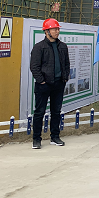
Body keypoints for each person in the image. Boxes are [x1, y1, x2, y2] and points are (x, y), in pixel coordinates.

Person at [30, 18, 70, 149]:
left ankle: (55, 137)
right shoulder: (39, 47)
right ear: (47, 31)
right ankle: (36, 139)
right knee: (39, 112)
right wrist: (41, 80)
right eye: (54, 29)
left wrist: (65, 77)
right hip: (44, 85)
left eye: (58, 29)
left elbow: (66, 64)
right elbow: (34, 66)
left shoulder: (62, 46)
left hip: (59, 84)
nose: (57, 31)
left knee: (56, 111)